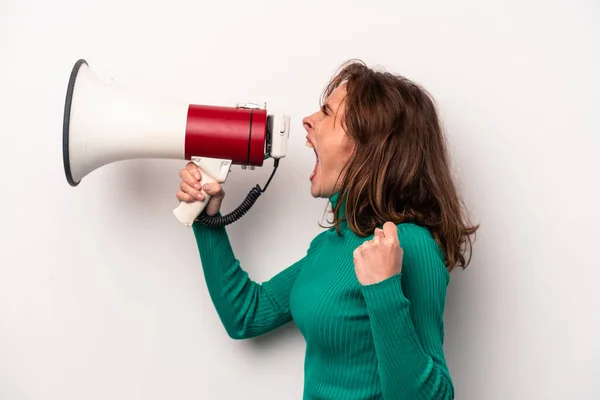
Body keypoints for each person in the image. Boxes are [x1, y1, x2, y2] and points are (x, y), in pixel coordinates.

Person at [176, 60, 478, 400]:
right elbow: (245, 314)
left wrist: (384, 291)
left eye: (326, 112)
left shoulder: (410, 243)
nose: (307, 120)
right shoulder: (330, 245)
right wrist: (208, 218)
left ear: (369, 144)